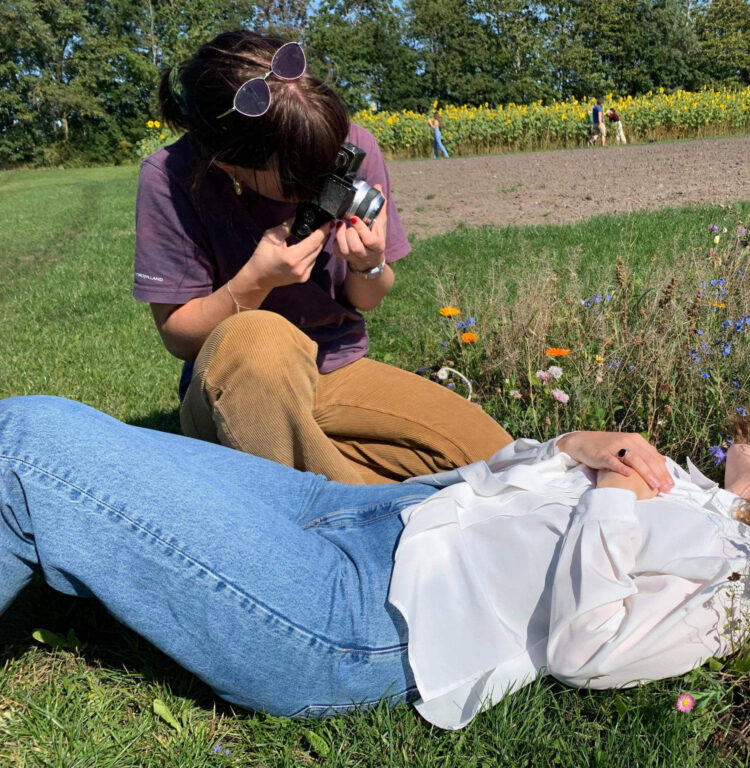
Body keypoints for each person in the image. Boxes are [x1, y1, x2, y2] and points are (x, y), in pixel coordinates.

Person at [0, 395, 750, 730]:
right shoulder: (684, 487)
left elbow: (589, 653)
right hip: (353, 512)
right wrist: (574, 446)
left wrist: (612, 491)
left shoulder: (742, 578)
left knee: (31, 450)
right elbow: (503, 488)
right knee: (45, 435)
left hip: (355, 617)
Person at [133, 31, 509, 486]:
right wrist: (256, 281)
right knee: (257, 336)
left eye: (329, 167)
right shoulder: (170, 176)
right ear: (230, 166)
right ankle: (333, 508)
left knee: (495, 460)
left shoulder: (352, 144)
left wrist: (367, 264)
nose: (324, 186)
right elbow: (178, 335)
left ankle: (320, 474)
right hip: (236, 381)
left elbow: (367, 297)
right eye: (300, 179)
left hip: (335, 366)